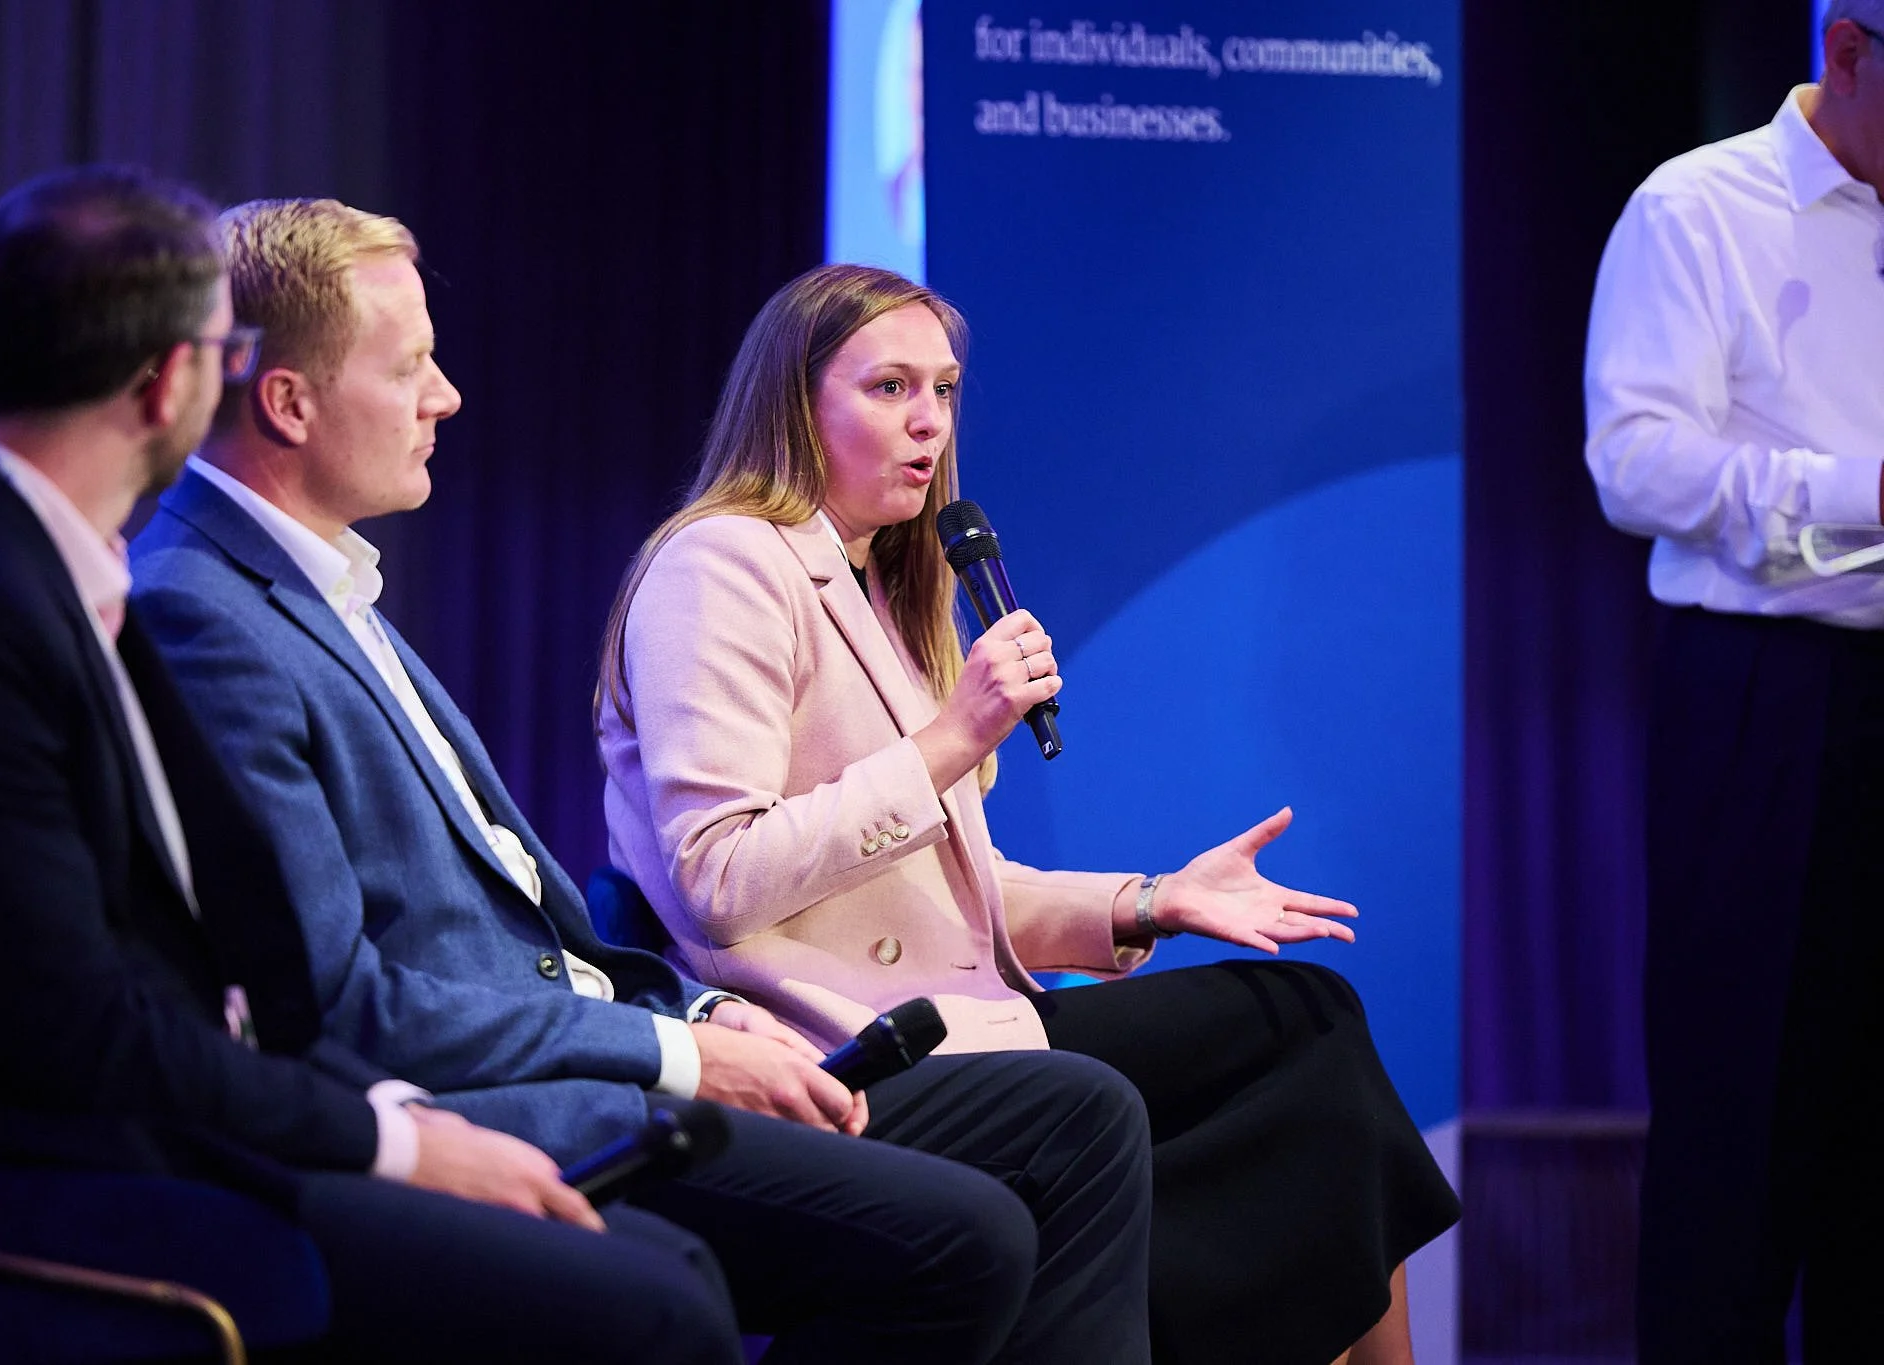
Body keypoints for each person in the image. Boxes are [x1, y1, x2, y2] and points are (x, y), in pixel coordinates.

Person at [128, 196, 1155, 1365]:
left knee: (1084, 1115)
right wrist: (680, 1052)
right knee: (971, 1225)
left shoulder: (322, 591)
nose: (446, 396)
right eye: (411, 366)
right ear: (288, 402)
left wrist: (695, 1016)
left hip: (617, 1036)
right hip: (510, 1098)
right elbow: (344, 999)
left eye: (944, 391)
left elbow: (521, 926)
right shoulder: (205, 615)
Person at [0, 166, 746, 1364]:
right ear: (171, 379)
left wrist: (387, 1110)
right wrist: (396, 1140)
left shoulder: (39, 566)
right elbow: (79, 1035)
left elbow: (236, 972)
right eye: (222, 354)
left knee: (666, 1270)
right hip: (53, 1169)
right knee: (654, 1305)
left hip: (171, 1115)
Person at [596, 262, 1464, 1365]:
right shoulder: (719, 564)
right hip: (834, 1040)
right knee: (1290, 1084)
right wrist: (952, 738)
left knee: (1311, 1027)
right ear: (794, 405)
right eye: (889, 388)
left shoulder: (885, 587)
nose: (928, 421)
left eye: (943, 390)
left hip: (966, 1014)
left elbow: (942, 894)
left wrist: (1152, 902)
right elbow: (715, 879)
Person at [1583, 9, 1884, 1360]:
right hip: (1769, 699)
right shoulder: (1698, 206)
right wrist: (1859, 494)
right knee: (1740, 1120)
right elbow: (1635, 462)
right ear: (1850, 49)